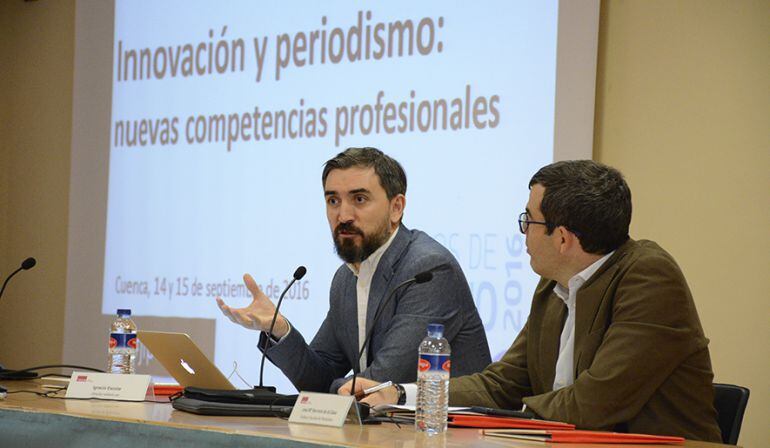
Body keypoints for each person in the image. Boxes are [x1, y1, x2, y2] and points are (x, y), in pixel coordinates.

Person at [343, 160, 722, 442]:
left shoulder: (649, 277)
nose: (523, 233)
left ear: (563, 238)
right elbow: (503, 382)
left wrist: (502, 424)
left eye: (529, 220)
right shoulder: (552, 286)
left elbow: (594, 404)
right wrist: (403, 394)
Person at [217, 147, 491, 393]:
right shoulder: (346, 278)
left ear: (396, 208)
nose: (343, 215)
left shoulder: (428, 269)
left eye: (359, 199)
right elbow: (319, 377)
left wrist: (324, 395)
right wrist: (280, 329)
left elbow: (376, 385)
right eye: (333, 201)